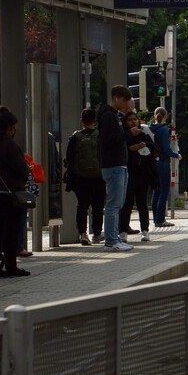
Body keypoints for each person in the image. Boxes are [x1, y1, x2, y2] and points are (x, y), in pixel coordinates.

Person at [0, 106, 32, 279]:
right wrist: (26, 173)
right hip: (9, 194)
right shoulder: (9, 144)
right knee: (10, 232)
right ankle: (11, 266)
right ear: (10, 128)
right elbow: (20, 168)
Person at [99, 85, 141, 252]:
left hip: (119, 165)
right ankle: (111, 240)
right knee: (113, 204)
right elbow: (109, 139)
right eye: (124, 101)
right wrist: (129, 133)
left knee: (117, 204)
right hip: (113, 165)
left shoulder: (114, 115)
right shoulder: (108, 116)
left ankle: (114, 237)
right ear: (116, 98)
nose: (125, 104)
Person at [64, 108, 105, 245]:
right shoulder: (99, 136)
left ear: (81, 120)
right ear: (95, 121)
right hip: (98, 177)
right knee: (98, 206)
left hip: (79, 178)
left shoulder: (75, 137)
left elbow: (68, 158)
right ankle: (97, 234)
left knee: (82, 205)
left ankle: (82, 233)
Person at [121, 112, 157, 243]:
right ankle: (123, 231)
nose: (133, 122)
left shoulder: (144, 136)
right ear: (125, 123)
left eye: (135, 119)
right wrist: (131, 149)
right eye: (130, 120)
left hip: (142, 174)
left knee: (142, 204)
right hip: (128, 174)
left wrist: (145, 146)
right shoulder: (124, 137)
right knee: (127, 204)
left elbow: (153, 152)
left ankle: (145, 230)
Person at [149, 108, 179, 229]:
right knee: (164, 191)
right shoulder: (164, 130)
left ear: (154, 116)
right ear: (165, 116)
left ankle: (155, 218)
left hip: (153, 163)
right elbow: (166, 148)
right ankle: (160, 219)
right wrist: (176, 155)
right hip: (163, 163)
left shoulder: (150, 129)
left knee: (156, 191)